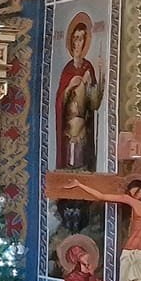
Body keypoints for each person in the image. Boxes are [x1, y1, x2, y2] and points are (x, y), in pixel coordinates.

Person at [53, 13, 102, 169]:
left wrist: (93, 82)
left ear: (85, 42)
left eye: (80, 39)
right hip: (69, 129)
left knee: (81, 166)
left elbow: (94, 104)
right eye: (74, 38)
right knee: (70, 165)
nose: (76, 43)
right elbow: (59, 101)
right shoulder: (67, 70)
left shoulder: (88, 68)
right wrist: (69, 86)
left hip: (82, 130)